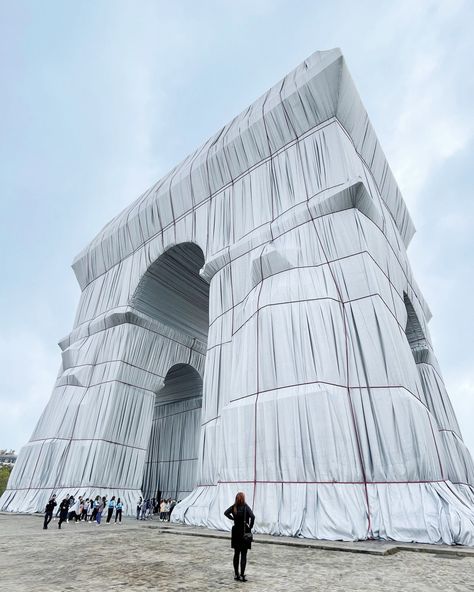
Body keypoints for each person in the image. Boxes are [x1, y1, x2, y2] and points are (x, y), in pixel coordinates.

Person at [224, 492, 255, 582]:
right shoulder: (245, 507)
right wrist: (250, 526)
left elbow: (225, 513)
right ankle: (242, 575)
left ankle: (236, 574)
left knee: (236, 553)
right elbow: (253, 516)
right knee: (244, 554)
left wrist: (232, 518)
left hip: (236, 532)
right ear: (243, 498)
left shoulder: (234, 507)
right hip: (244, 532)